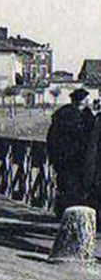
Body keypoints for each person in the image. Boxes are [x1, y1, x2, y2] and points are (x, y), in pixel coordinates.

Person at [46, 88, 95, 217]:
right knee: (78, 189)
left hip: (64, 159)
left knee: (66, 187)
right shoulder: (87, 117)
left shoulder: (61, 116)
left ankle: (65, 215)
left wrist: (53, 158)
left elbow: (51, 139)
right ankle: (75, 217)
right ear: (83, 101)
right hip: (80, 159)